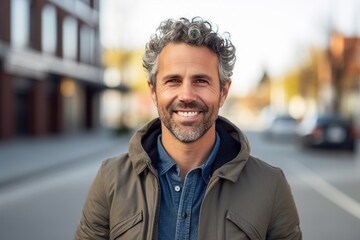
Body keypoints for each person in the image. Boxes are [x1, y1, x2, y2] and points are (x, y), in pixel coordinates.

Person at [75, 16, 302, 240]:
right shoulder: (110, 179)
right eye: (172, 80)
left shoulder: (271, 185)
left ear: (223, 92)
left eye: (201, 81)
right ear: (153, 91)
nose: (186, 96)